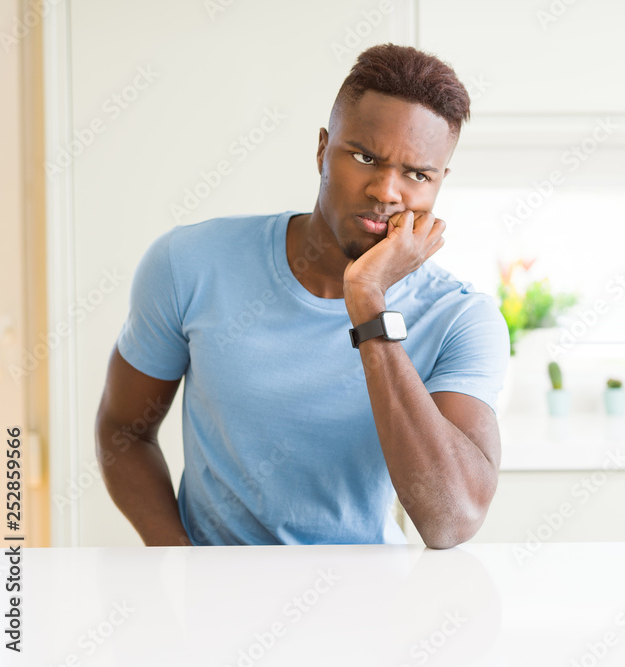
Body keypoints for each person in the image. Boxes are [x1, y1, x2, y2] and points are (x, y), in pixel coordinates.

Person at [95, 43, 510, 549]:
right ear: (321, 150)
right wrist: (182, 564)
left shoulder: (461, 316)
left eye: (416, 174)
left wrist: (368, 300)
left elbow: (451, 521)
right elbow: (124, 432)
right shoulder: (188, 263)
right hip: (212, 604)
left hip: (371, 604)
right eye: (365, 157)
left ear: (439, 183)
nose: (386, 190)